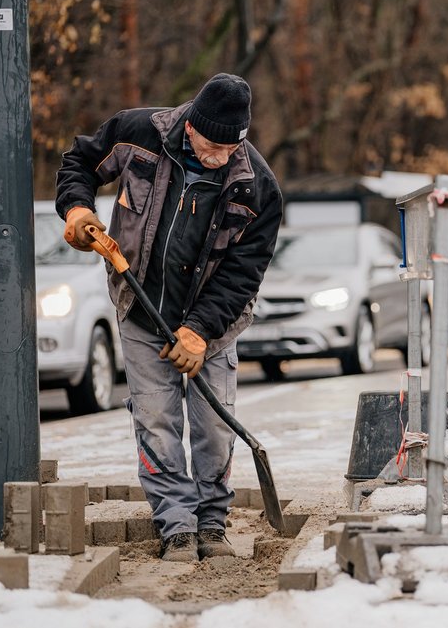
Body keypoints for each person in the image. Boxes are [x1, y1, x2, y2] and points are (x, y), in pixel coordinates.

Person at [55, 73, 283, 562]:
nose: (219, 157)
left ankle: (212, 524)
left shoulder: (257, 186)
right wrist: (76, 208)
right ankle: (177, 526)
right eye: (211, 145)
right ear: (192, 126)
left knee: (214, 426)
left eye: (231, 147)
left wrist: (200, 331)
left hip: (214, 329)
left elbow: (244, 273)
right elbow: (79, 160)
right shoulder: (138, 134)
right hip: (141, 309)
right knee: (156, 418)